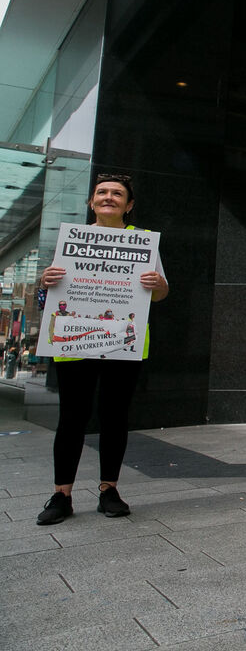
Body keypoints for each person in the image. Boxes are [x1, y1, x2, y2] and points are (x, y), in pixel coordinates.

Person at [34, 173, 169, 525]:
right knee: (71, 417)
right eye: (102, 192)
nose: (109, 197)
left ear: (129, 204)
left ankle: (109, 489)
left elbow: (161, 293)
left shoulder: (142, 242)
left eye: (117, 193)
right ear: (92, 201)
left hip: (123, 343)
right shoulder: (72, 240)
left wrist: (158, 284)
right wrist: (45, 283)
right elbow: (48, 295)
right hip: (76, 341)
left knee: (114, 416)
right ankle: (61, 494)